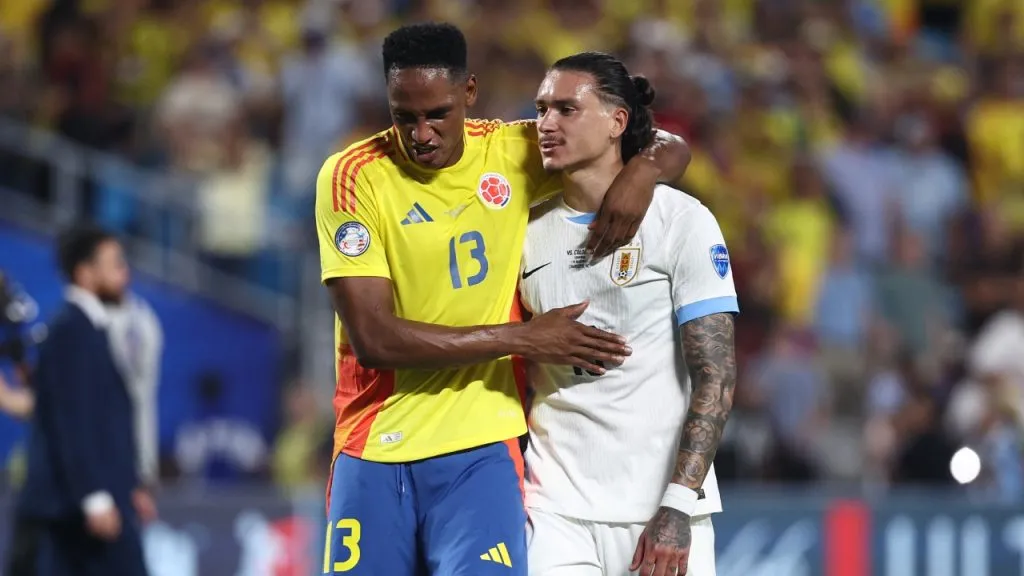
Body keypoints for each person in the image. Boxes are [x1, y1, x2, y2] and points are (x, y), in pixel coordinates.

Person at [314, 23, 691, 576]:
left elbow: (667, 143)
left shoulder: (513, 151)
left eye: (437, 114)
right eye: (404, 117)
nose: (421, 134)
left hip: (482, 447)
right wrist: (524, 338)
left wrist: (644, 173)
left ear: (468, 92)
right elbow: (374, 339)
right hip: (375, 444)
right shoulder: (353, 176)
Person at [519, 53, 739, 576]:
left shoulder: (681, 220)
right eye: (541, 109)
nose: (546, 123)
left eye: (567, 109)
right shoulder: (522, 231)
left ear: (617, 121)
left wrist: (679, 505)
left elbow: (717, 374)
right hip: (553, 507)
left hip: (660, 509)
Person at [7, 226, 149, 576]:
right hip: (83, 508)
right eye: (115, 265)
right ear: (85, 273)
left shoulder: (87, 329)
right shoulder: (73, 331)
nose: (125, 275)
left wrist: (128, 484)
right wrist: (95, 497)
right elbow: (74, 424)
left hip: (92, 501)